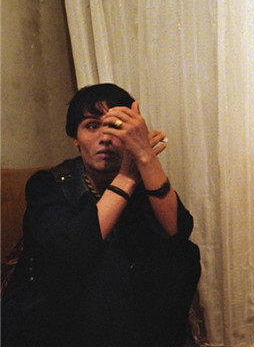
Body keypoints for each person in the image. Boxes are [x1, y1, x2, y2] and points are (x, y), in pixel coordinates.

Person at [1, 84, 201, 347]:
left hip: (123, 316)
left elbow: (178, 231)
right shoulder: (48, 184)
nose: (105, 137)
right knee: (108, 262)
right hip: (50, 312)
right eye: (92, 126)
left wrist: (146, 158)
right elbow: (71, 251)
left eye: (116, 126)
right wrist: (127, 177)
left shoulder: (140, 176)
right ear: (75, 137)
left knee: (183, 254)